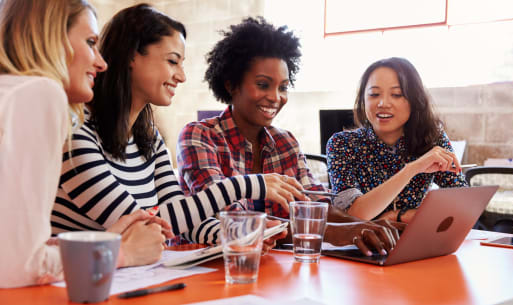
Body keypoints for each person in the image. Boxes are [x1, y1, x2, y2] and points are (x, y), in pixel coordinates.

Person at [52, 4, 300, 249]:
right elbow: (140, 226)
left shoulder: (149, 138)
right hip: (72, 284)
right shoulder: (75, 131)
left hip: (128, 279)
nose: (181, 76)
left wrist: (242, 233)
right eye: (173, 61)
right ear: (131, 56)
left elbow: (183, 222)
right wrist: (247, 185)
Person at [178, 17, 403, 256]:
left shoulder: (285, 143)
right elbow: (233, 222)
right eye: (263, 84)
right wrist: (338, 233)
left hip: (271, 273)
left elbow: (315, 205)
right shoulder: (199, 136)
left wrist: (364, 226)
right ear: (232, 84)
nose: (276, 97)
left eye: (283, 87)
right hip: (207, 272)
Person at [0, 0, 173, 288]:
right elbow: (18, 266)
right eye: (91, 42)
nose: (101, 62)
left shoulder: (12, 91)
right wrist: (121, 252)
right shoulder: (39, 93)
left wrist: (102, 242)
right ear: (51, 38)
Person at [326, 57, 468, 223]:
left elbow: (464, 206)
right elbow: (352, 215)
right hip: (362, 245)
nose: (383, 103)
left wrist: (399, 215)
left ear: (415, 100)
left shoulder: (432, 138)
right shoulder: (342, 144)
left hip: (417, 241)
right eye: (374, 94)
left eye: (397, 94)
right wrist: (412, 169)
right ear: (363, 99)